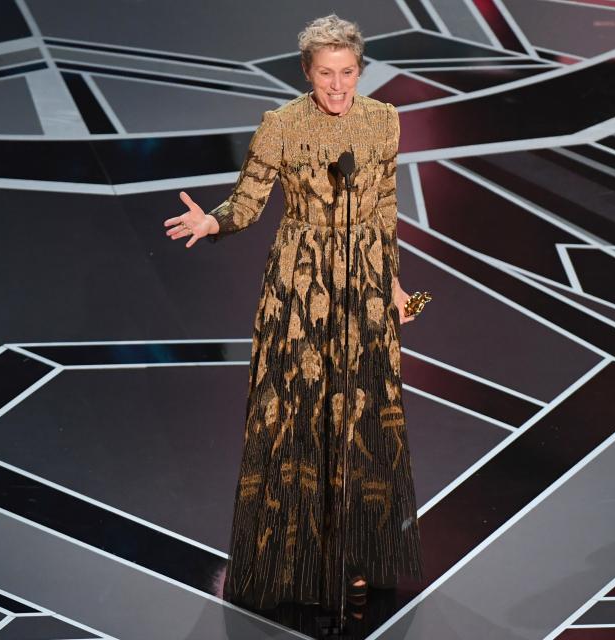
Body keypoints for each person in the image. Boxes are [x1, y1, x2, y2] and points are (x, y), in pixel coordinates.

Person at [163, 14, 425, 613]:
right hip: (299, 291)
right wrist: (213, 221)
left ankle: (353, 554)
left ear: (361, 70)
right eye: (326, 74)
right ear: (307, 72)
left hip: (364, 287)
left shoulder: (385, 121)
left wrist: (396, 287)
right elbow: (249, 201)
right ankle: (297, 551)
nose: (338, 86)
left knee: (359, 420)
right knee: (301, 418)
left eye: (348, 73)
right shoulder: (280, 125)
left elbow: (385, 210)